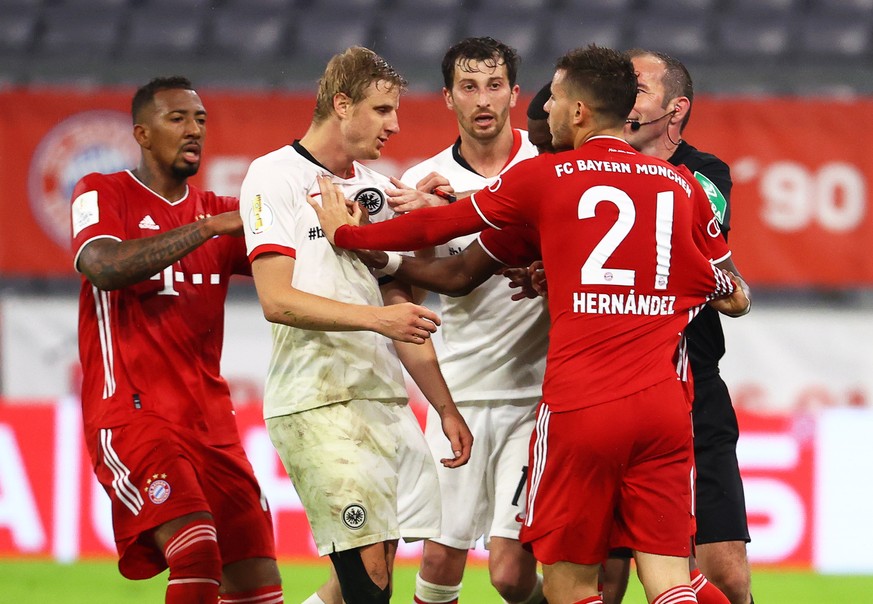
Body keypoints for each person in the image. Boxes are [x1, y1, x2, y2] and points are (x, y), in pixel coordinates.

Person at [311, 45, 751, 604]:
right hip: (664, 408)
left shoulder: (546, 176)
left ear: (581, 113)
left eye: (559, 99)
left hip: (580, 407)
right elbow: (731, 293)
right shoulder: (682, 186)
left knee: (569, 584)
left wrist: (349, 235)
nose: (549, 111)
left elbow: (437, 225)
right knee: (672, 581)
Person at [237, 47, 473, 604]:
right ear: (342, 105)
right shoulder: (274, 175)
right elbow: (276, 299)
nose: (395, 124)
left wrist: (443, 408)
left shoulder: (376, 190)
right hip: (317, 401)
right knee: (369, 584)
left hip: (381, 403)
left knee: (369, 577)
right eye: (382, 109)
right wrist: (379, 319)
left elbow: (401, 314)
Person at [71, 76, 283, 604]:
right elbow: (103, 267)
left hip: (213, 426)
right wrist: (206, 229)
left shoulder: (218, 208)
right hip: (132, 415)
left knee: (257, 583)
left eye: (201, 120)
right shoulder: (102, 191)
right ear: (142, 133)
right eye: (178, 119)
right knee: (194, 550)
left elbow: (297, 260)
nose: (194, 131)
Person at [381, 37, 548, 604]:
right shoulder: (420, 182)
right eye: (469, 87)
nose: (483, 100)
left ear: (515, 95)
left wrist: (454, 215)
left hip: (535, 398)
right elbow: (408, 281)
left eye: (495, 86)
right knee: (438, 558)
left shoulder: (546, 167)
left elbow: (546, 228)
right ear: (447, 96)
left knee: (508, 572)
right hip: (461, 391)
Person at [622, 48, 753, 604]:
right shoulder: (585, 163)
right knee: (600, 578)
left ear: (676, 110)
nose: (622, 97)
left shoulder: (705, 173)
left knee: (723, 572)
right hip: (609, 387)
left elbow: (693, 250)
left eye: (637, 88)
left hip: (693, 385)